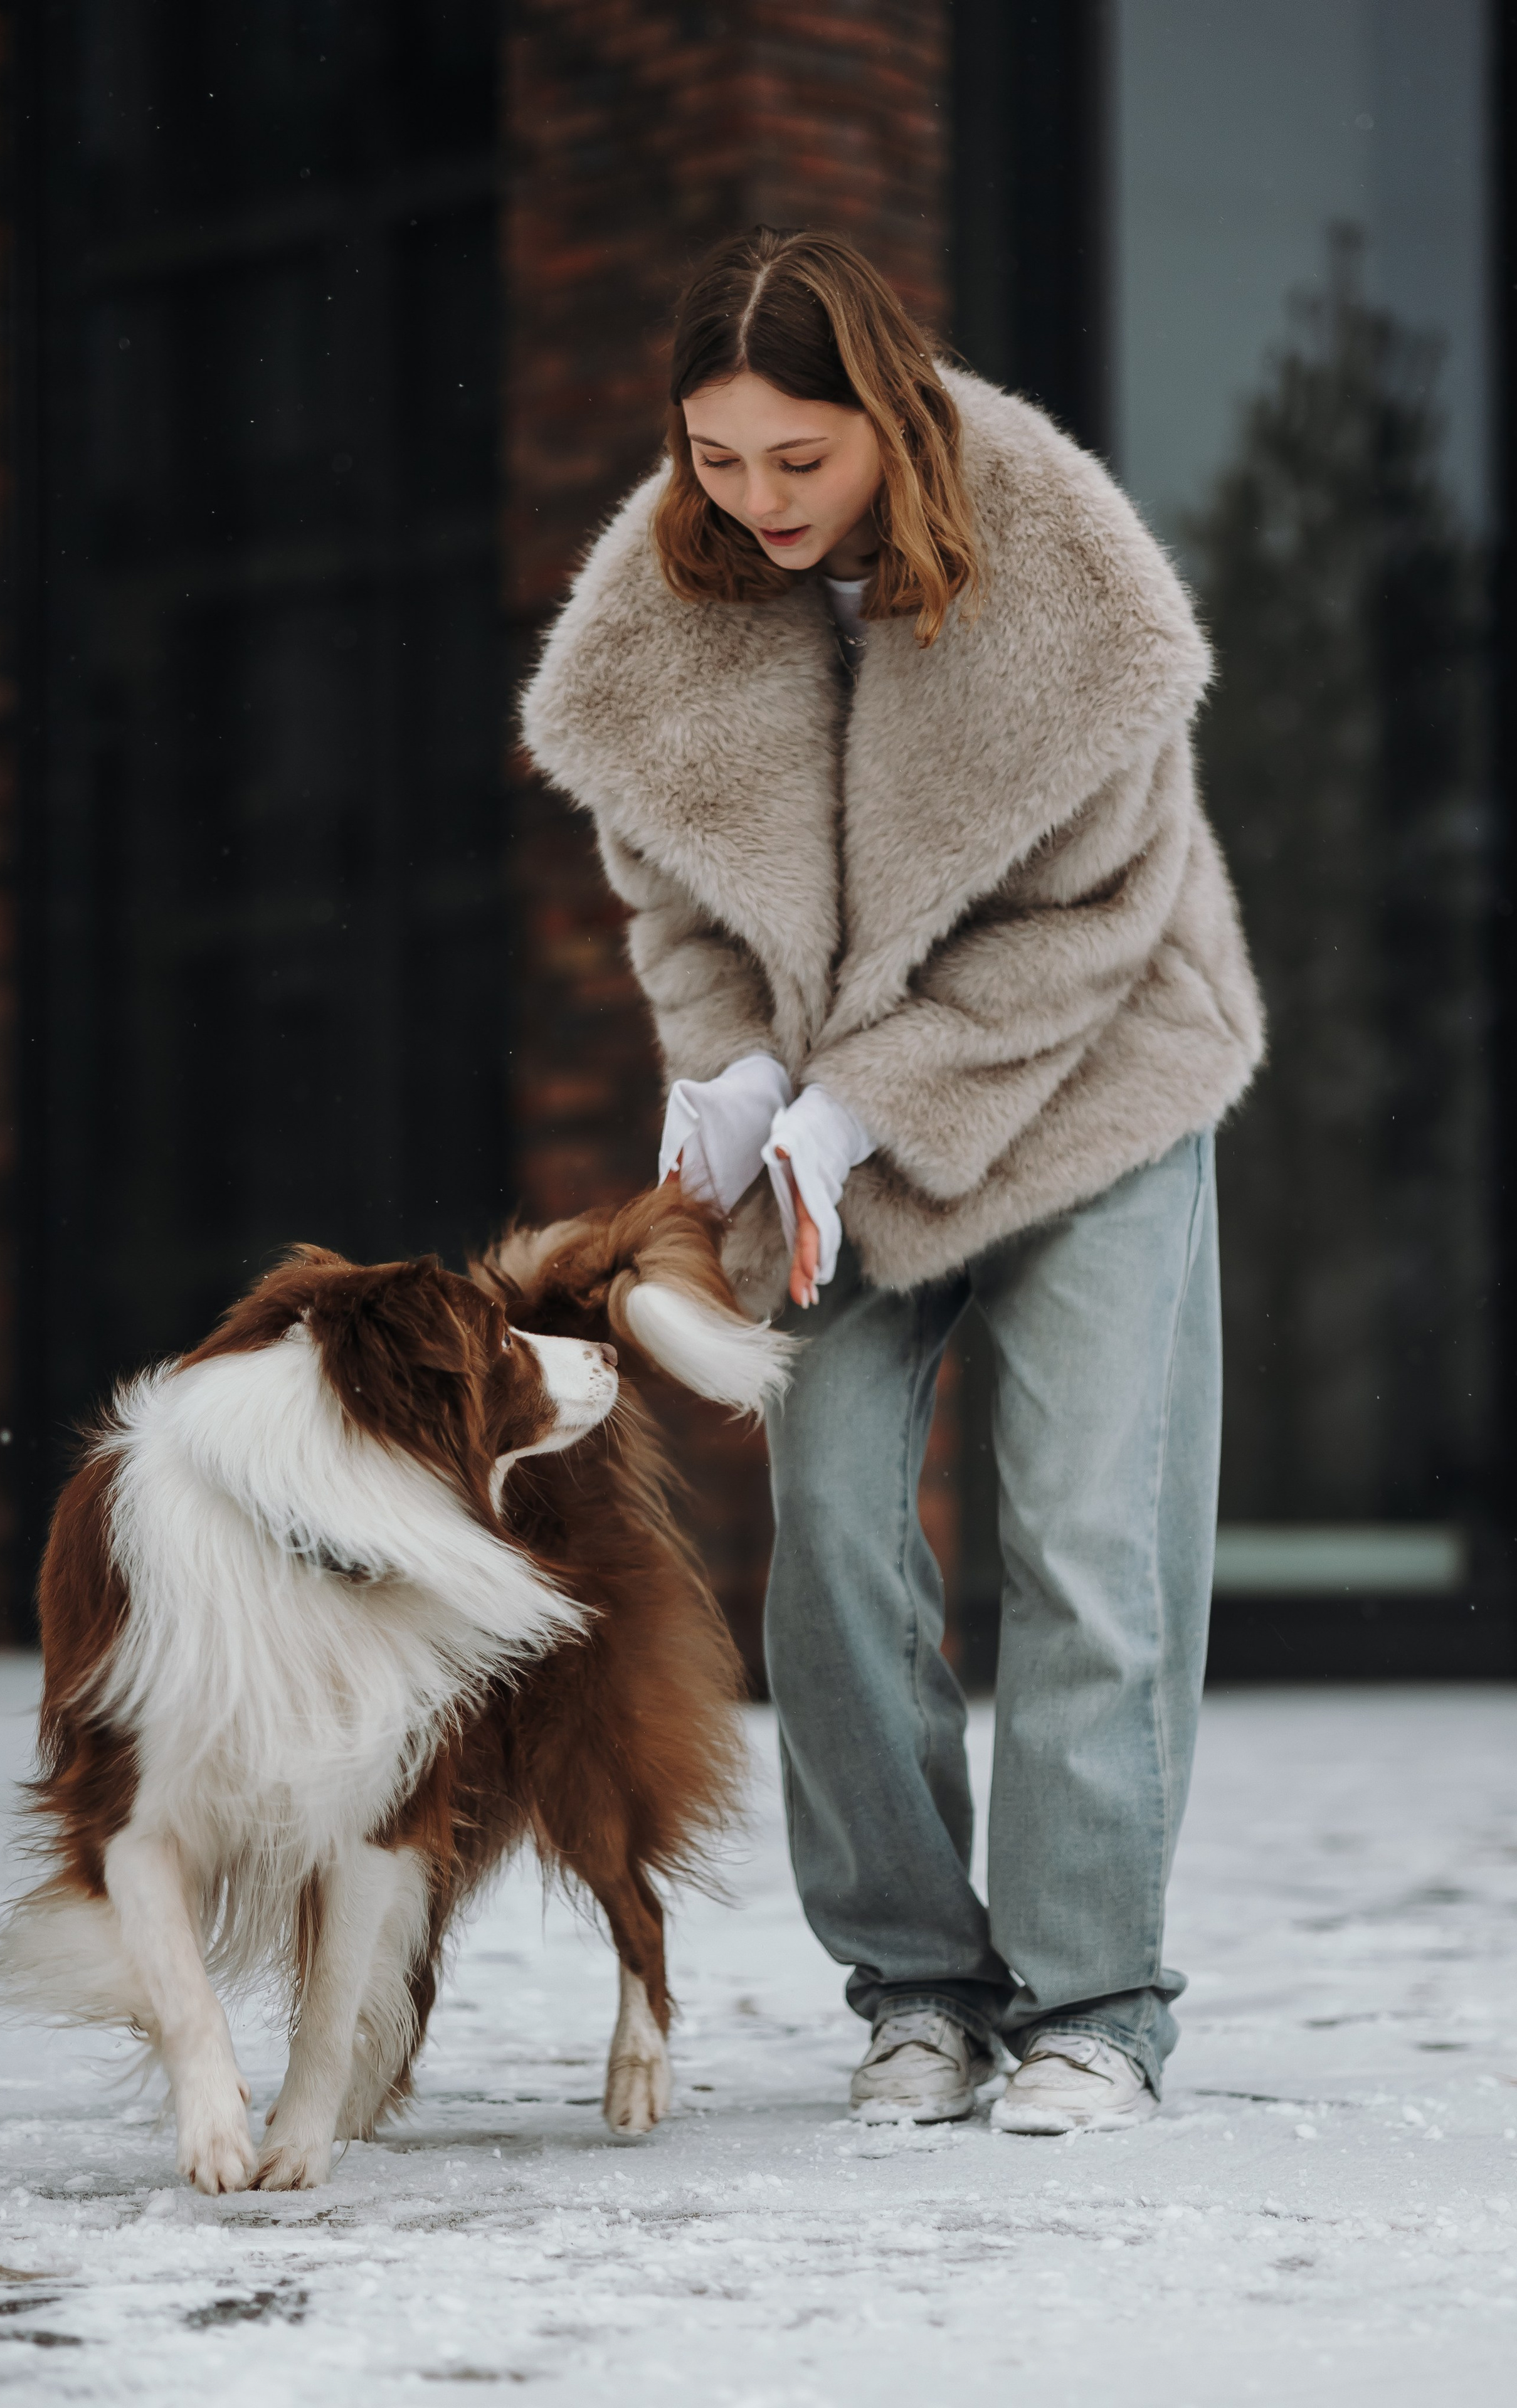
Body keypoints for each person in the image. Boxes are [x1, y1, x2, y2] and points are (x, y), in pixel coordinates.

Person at [522, 226, 1262, 2131]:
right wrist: (741, 1072)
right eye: (715, 457)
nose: (754, 501)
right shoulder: (666, 615)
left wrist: (848, 1107)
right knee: (833, 1533)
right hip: (827, 1141)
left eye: (800, 458)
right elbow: (676, 906)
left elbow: (1090, 927)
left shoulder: (1072, 593)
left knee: (1089, 1542)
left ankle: (1099, 2002)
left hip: (1092, 1083)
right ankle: (919, 1987)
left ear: (895, 419)